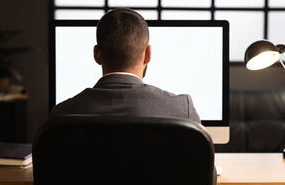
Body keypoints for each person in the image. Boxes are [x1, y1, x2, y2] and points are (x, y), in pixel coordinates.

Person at [50, 8, 201, 123]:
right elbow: (202, 164)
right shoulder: (182, 111)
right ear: (148, 54)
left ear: (97, 54)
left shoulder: (61, 115)